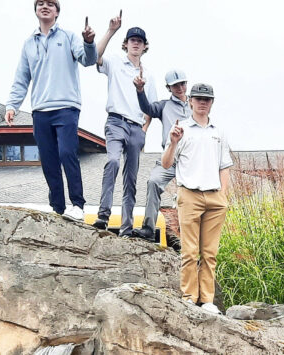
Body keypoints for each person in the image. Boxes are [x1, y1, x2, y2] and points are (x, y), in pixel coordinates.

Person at [5, 0, 97, 221]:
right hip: (40, 110)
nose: (44, 6)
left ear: (57, 11)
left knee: (67, 153)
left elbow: (88, 60)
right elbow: (21, 78)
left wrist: (88, 42)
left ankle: (77, 204)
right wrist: (12, 105)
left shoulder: (68, 37)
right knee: (48, 160)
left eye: (50, 4)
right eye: (40, 3)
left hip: (66, 107)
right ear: (36, 10)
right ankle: (57, 207)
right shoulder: (29, 43)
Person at [162, 83, 232, 314]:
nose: (203, 103)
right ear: (190, 100)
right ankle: (189, 297)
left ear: (212, 102)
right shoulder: (181, 129)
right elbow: (166, 163)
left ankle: (208, 300)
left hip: (214, 197)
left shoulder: (218, 131)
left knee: (210, 252)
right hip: (189, 194)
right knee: (190, 251)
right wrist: (172, 142)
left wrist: (224, 195)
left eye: (207, 99)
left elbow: (225, 166)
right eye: (199, 99)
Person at [91, 12, 158, 237]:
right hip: (116, 122)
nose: (136, 44)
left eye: (139, 41)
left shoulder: (148, 74)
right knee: (112, 161)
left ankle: (126, 228)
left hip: (136, 128)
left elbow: (150, 107)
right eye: (132, 40)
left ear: (144, 46)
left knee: (131, 179)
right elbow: (94, 55)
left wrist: (144, 131)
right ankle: (103, 215)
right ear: (126, 44)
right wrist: (111, 30)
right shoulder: (115, 62)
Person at [131, 69, 191, 242]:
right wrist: (140, 91)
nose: (180, 87)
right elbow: (147, 108)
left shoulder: (195, 103)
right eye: (175, 85)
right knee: (153, 182)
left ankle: (190, 237)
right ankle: (148, 228)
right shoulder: (164, 106)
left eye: (182, 83)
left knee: (189, 195)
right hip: (170, 157)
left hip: (191, 159)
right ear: (168, 88)